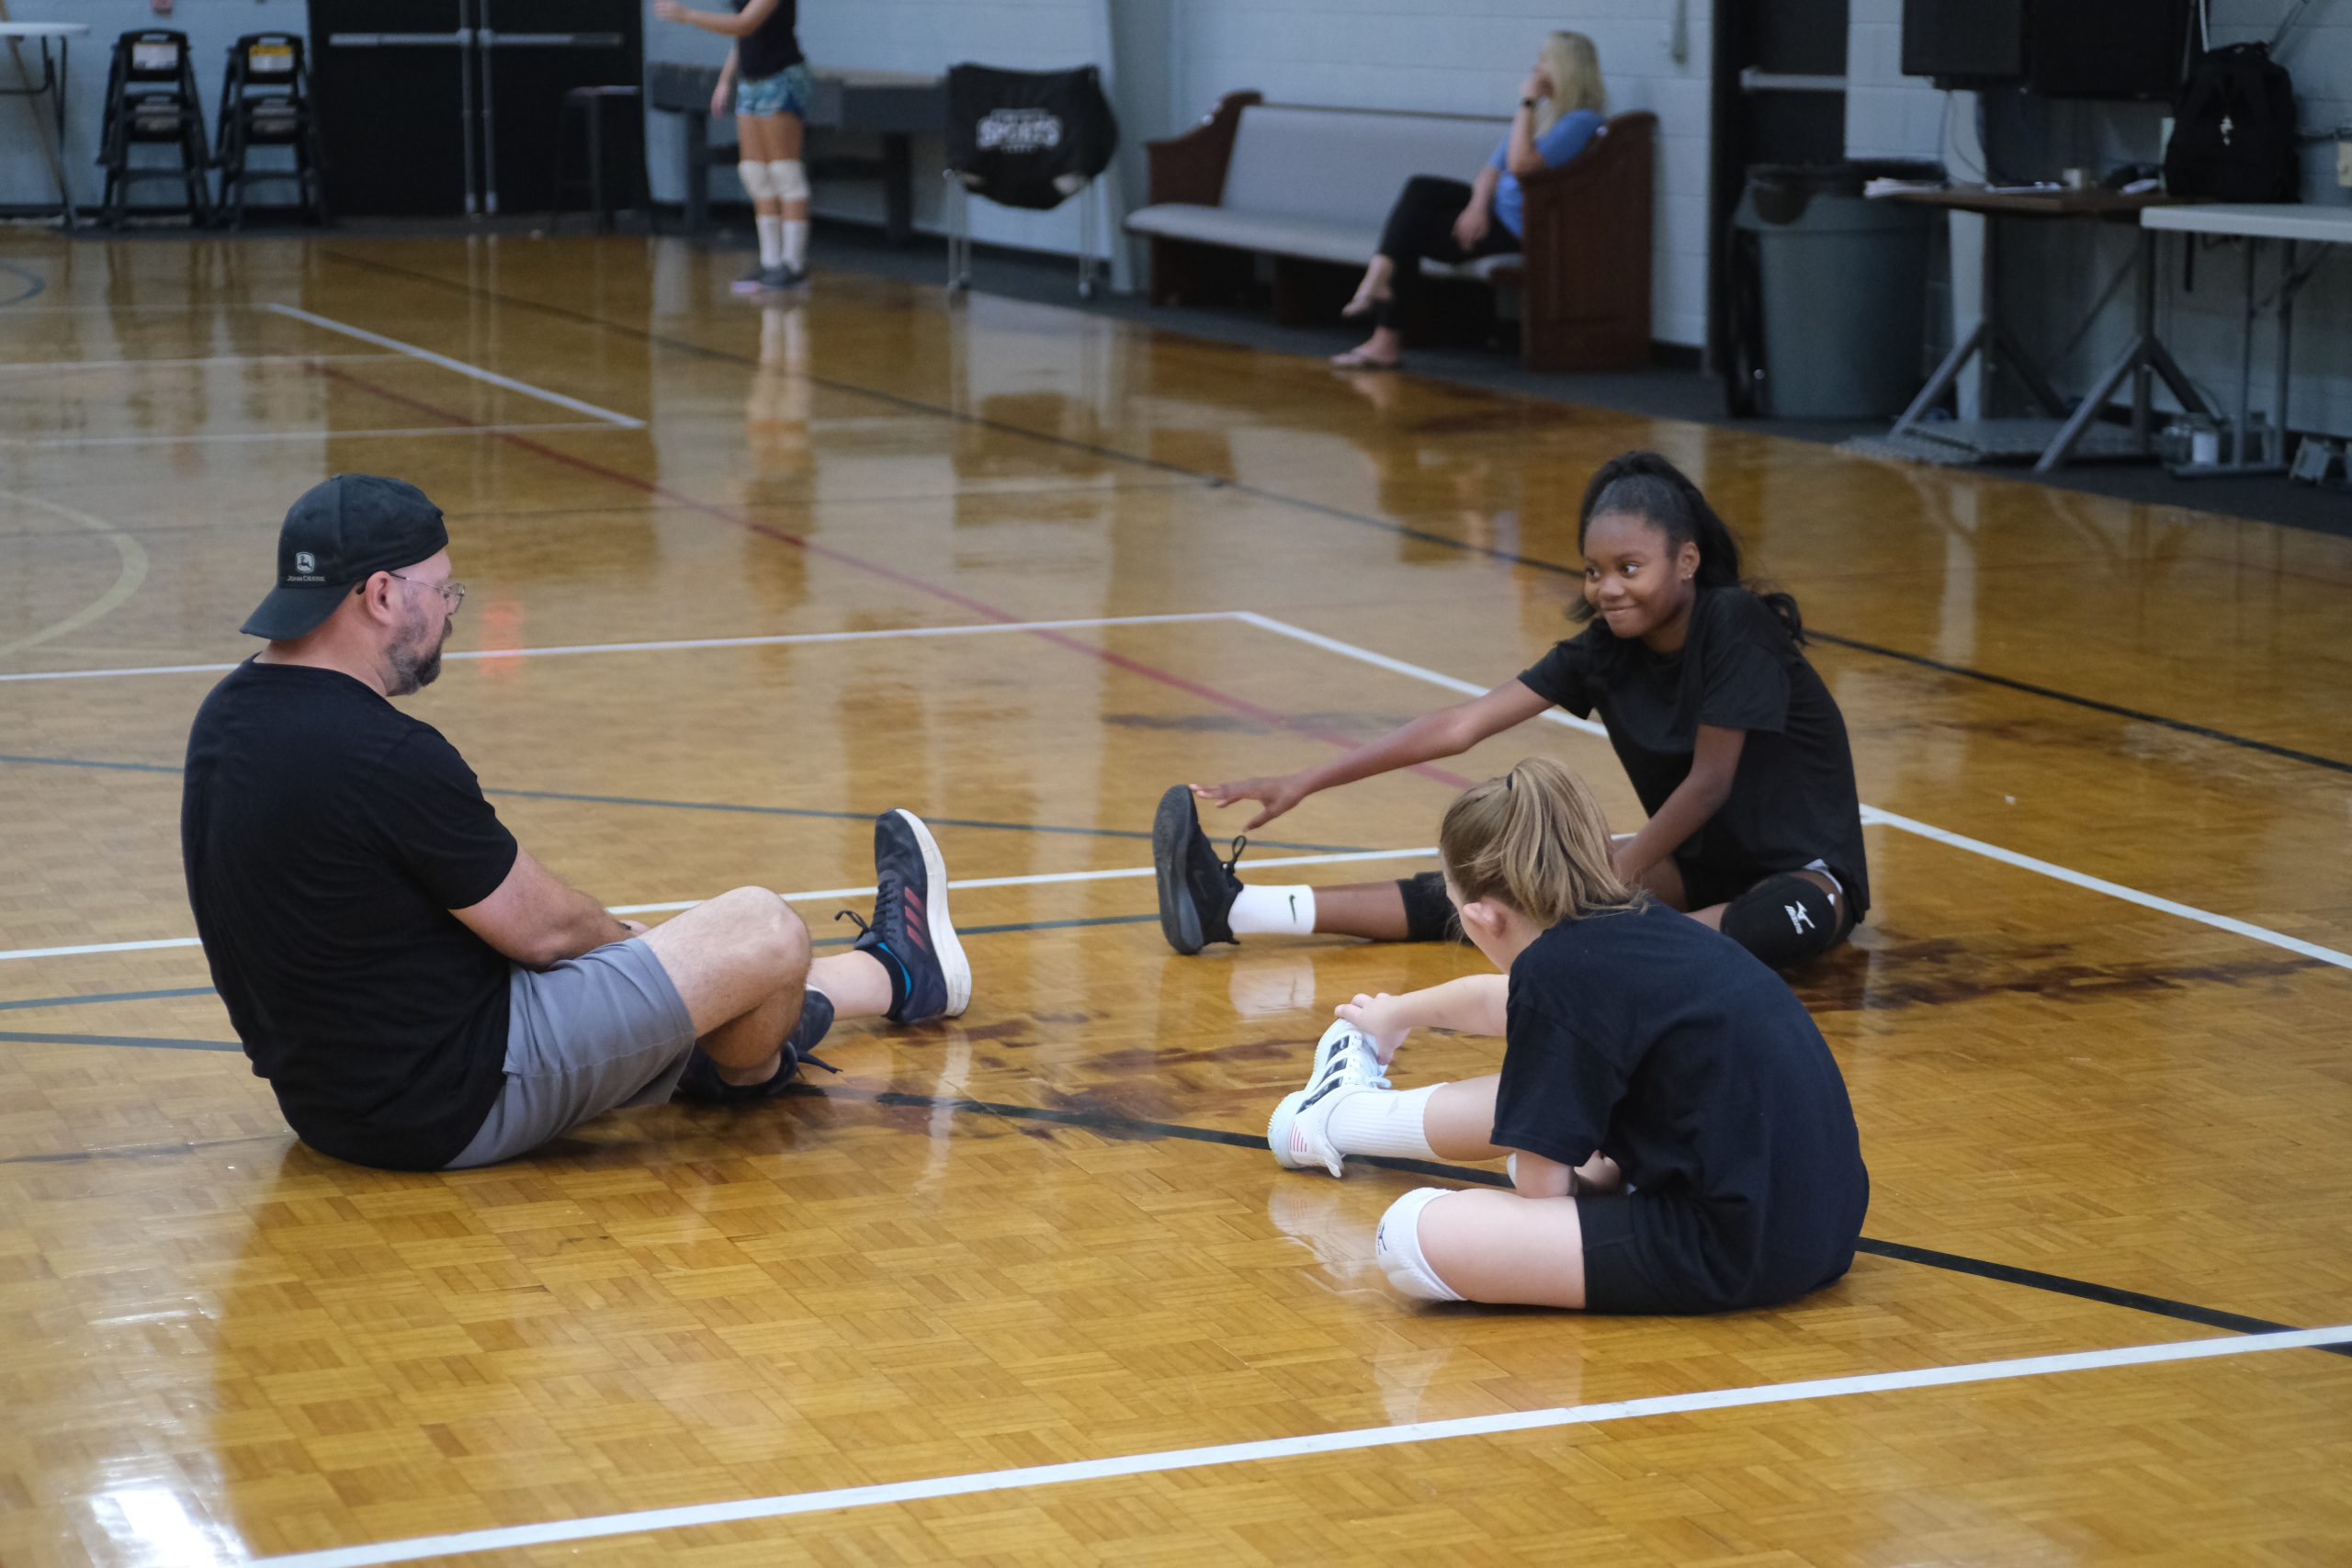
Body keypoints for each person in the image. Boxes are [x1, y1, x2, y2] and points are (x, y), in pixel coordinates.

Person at [180, 475, 971, 1172]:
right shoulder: (383, 754)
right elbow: (548, 933)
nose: (450, 614)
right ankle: (749, 1070)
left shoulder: (226, 716)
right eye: (444, 592)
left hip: (328, 1104)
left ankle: (896, 974)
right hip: (454, 1099)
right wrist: (662, 964)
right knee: (760, 932)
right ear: (383, 595)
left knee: (693, 966)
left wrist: (665, 977)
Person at [1154, 450, 1870, 971]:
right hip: (1694, 867)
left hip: (1807, 876)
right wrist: (1305, 779)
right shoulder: (1604, 650)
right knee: (1500, 886)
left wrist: (1608, 874)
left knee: (1767, 924)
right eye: (1593, 571)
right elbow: (1458, 726)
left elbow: (1710, 784)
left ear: (1686, 561)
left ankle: (1606, 953)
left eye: (1629, 568)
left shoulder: (1733, 622)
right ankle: (1236, 908)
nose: (1608, 588)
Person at [1265, 758, 1869, 1312]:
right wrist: (1395, 1013)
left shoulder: (1556, 976)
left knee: (1411, 1234)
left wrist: (1584, 1177)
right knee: (1548, 1098)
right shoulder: (1641, 924)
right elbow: (1505, 1003)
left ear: (1481, 916)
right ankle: (1339, 1117)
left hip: (1727, 1248)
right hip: (1827, 1230)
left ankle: (1340, 1117)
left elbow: (1542, 1195)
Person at [1331, 31, 1608, 370]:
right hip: (1493, 212)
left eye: (1544, 60)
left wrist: (1527, 103)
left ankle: (1383, 323)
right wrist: (1477, 208)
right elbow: (1491, 170)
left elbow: (1522, 166)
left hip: (1519, 227)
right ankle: (1380, 284)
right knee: (1420, 190)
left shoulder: (1580, 121)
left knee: (1410, 231)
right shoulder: (1543, 115)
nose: (1535, 68)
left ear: (1566, 68)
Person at [656, 0, 813, 292]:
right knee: (755, 172)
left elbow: (745, 24)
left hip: (781, 79)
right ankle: (771, 261)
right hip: (751, 81)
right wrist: (725, 80)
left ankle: (793, 265)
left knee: (785, 172)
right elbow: (744, 38)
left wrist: (686, 15)